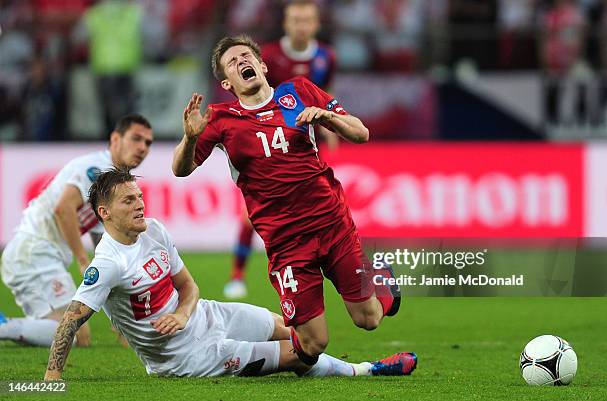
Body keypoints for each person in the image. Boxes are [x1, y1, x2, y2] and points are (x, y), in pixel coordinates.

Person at [43, 168, 417, 379]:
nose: (140, 204)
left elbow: (188, 286)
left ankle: (376, 295)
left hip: (206, 315)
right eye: (129, 201)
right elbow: (70, 322)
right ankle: (367, 371)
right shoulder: (107, 263)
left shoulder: (154, 230)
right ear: (105, 213)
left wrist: (184, 313)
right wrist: (52, 378)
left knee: (301, 334)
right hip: (186, 356)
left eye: (139, 196)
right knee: (298, 354)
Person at [172, 35, 406, 370]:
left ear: (262, 65)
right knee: (313, 344)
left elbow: (360, 132)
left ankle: (380, 276)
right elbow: (181, 170)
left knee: (368, 319)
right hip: (286, 242)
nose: (241, 63)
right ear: (227, 82)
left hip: (331, 223)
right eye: (233, 63)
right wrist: (190, 138)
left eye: (245, 57)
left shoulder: (298, 91)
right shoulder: (220, 119)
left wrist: (327, 118)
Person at [0, 114, 153, 347]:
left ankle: (13, 328)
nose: (142, 148)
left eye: (148, 143)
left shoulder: (111, 181)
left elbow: (104, 238)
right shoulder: (94, 169)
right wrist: (83, 261)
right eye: (136, 139)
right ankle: (4, 327)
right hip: (34, 253)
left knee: (74, 335)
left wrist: (119, 315)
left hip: (37, 255)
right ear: (115, 139)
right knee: (72, 335)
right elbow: (63, 209)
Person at [224, 0, 338, 299]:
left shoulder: (327, 57)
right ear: (286, 24)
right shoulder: (269, 56)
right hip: (265, 141)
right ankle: (237, 274)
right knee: (251, 214)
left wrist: (331, 125)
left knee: (318, 207)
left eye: (307, 20)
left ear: (316, 24)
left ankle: (317, 269)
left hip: (305, 142)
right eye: (296, 20)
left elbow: (326, 93)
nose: (301, 26)